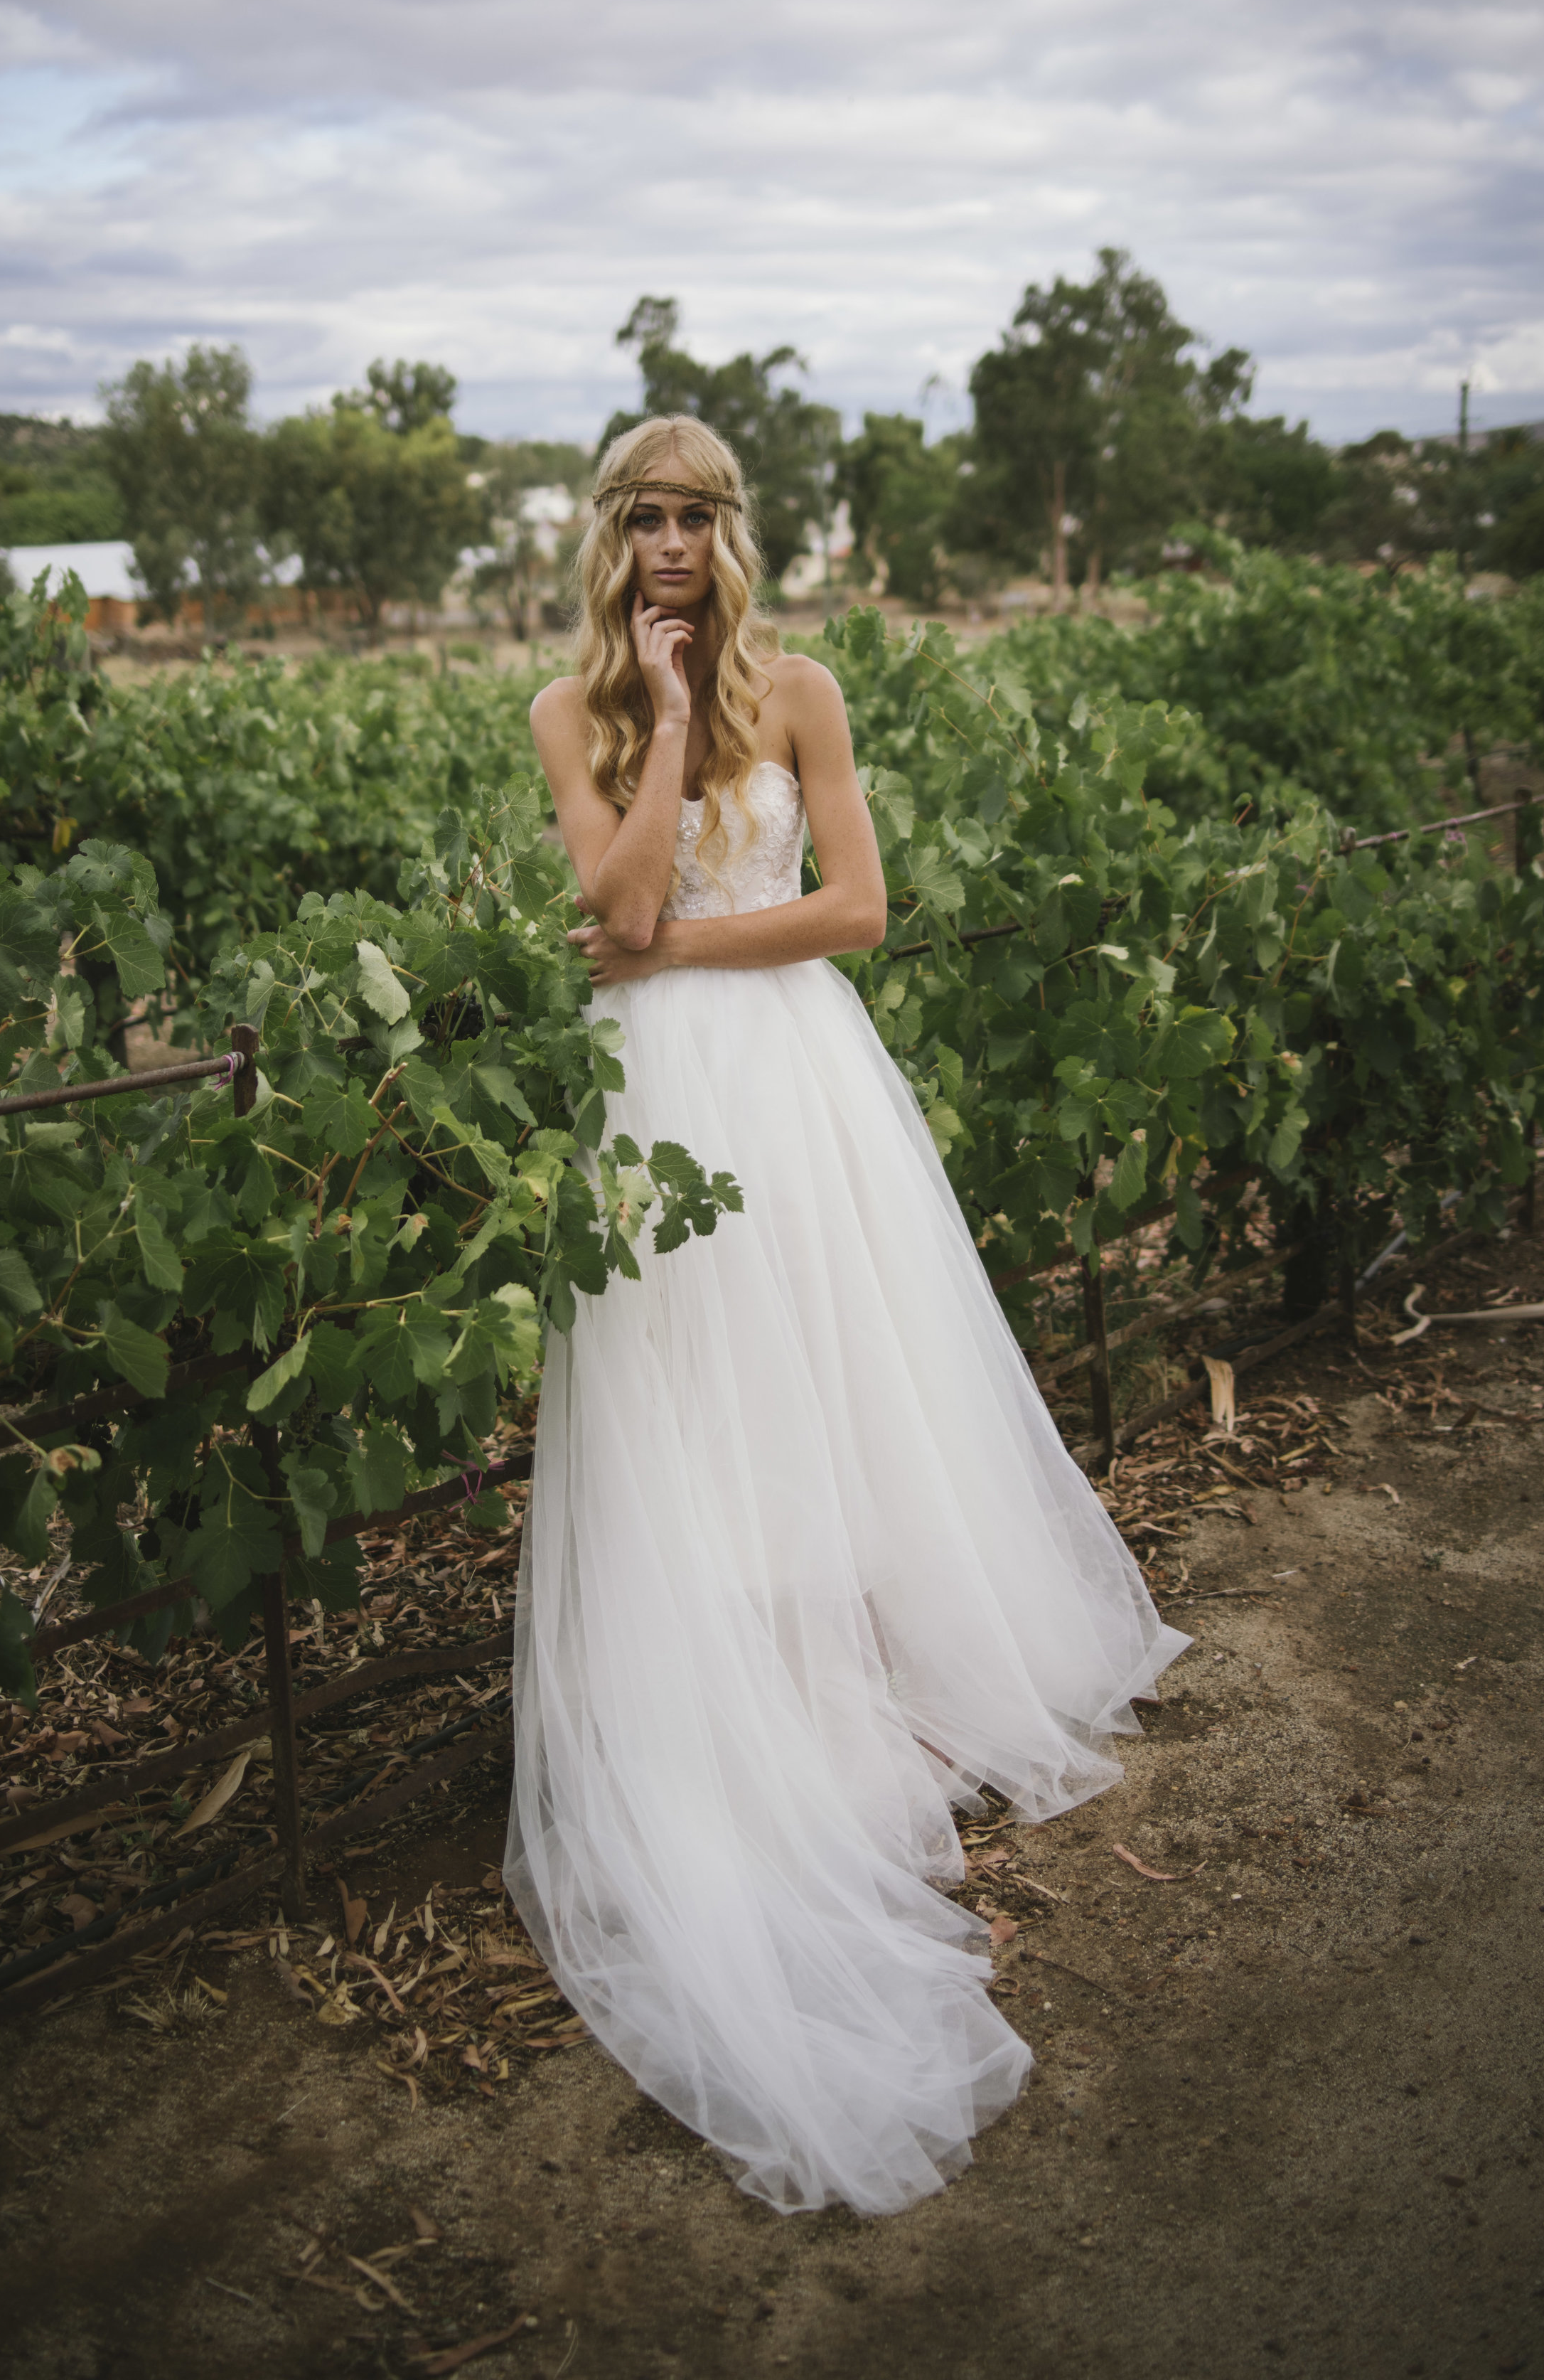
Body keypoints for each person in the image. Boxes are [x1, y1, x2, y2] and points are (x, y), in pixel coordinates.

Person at [506, 413, 1188, 2216]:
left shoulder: (802, 688)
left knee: (819, 1371)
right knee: (689, 1392)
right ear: (610, 538)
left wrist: (670, 944)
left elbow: (859, 910)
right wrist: (657, 725)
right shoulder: (568, 717)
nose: (663, 541)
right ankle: (741, 1701)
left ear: (729, 531)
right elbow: (620, 898)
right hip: (652, 1102)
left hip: (801, 1085)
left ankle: (854, 1682)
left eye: (690, 516)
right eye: (637, 516)